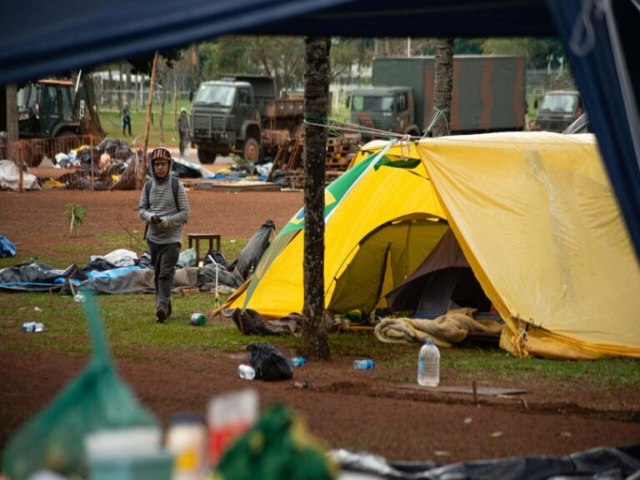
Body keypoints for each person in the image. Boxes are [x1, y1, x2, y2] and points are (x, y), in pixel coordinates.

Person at [138, 147, 190, 323]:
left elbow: (185, 213)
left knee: (165, 274)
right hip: (153, 239)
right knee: (158, 272)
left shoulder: (177, 186)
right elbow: (141, 209)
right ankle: (165, 308)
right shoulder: (148, 186)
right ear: (152, 167)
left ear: (169, 165)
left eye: (163, 164)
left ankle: (160, 307)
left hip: (172, 239)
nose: (160, 168)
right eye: (157, 164)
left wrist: (167, 221)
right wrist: (150, 217)